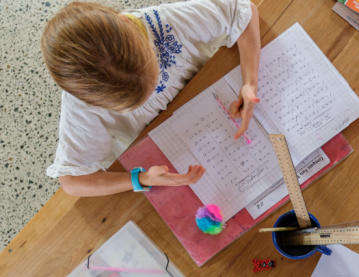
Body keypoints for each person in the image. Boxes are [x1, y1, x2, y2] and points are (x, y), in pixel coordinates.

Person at [41, 0, 260, 196]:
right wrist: (140, 179)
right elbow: (72, 181)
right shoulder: (80, 104)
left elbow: (242, 10)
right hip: (165, 147)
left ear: (130, 28)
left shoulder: (167, 22)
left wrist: (249, 81)